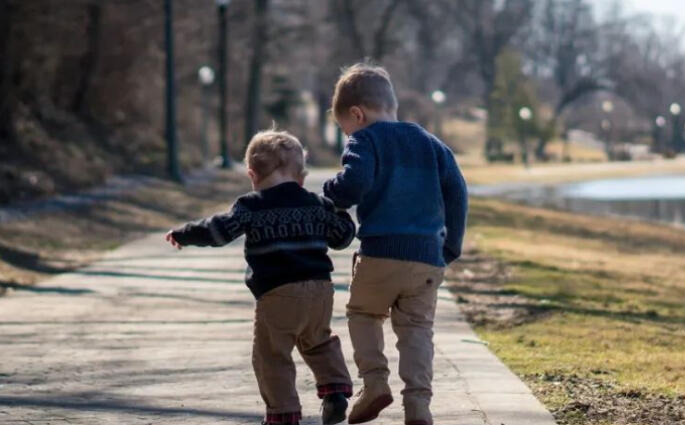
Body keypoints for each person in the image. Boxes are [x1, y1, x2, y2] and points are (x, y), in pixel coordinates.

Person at [166, 130, 356, 425]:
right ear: (301, 176)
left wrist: (185, 233)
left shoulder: (251, 206)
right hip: (320, 289)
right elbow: (343, 238)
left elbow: (218, 231)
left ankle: (284, 414)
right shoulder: (316, 204)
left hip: (277, 293)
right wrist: (340, 211)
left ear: (252, 174)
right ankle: (335, 390)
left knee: (272, 355)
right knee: (318, 341)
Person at [323, 63, 468, 425]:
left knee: (363, 314)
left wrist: (331, 193)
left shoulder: (365, 140)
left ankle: (374, 383)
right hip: (427, 258)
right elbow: (458, 193)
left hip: (380, 253)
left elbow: (353, 185)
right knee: (417, 330)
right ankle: (418, 405)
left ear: (357, 114)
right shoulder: (432, 144)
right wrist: (452, 246)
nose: (348, 135)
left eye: (345, 129)